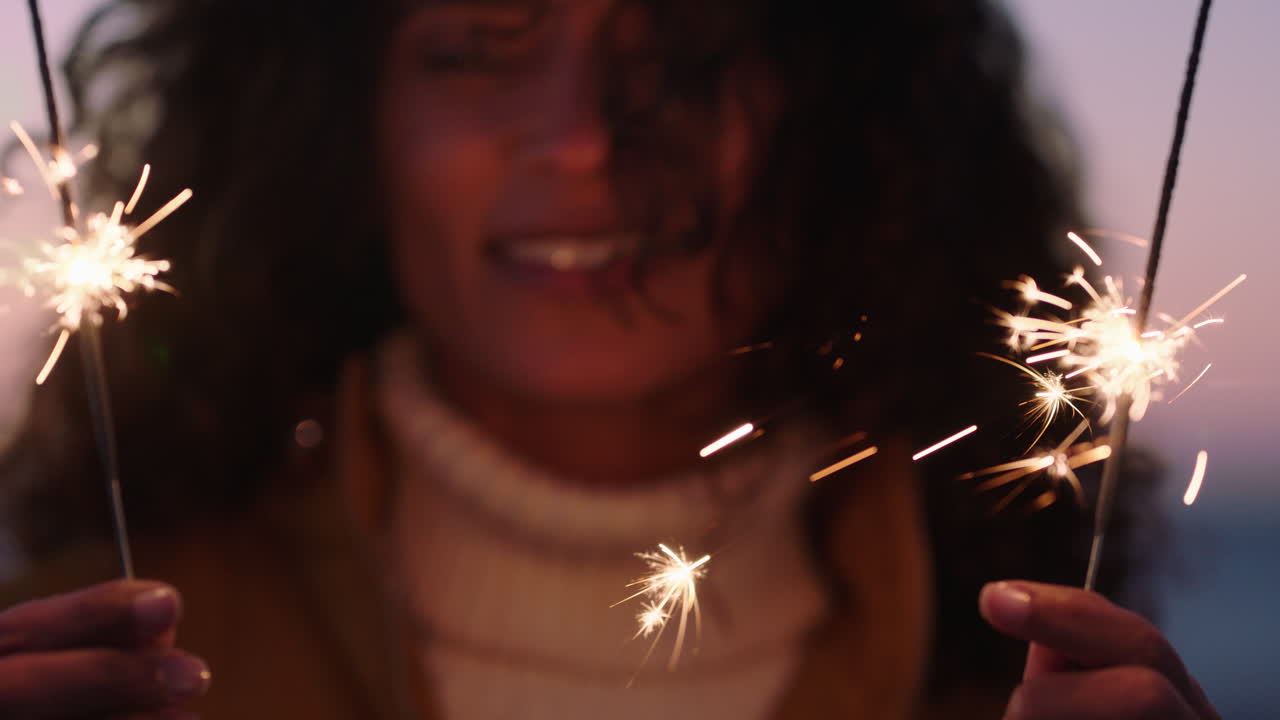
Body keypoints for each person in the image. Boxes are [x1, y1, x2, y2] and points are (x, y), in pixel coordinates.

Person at [0, 0, 1221, 718]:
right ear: (335, 122)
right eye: (479, 46)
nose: (583, 139)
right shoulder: (86, 654)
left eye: (682, 46)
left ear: (841, 115)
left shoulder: (1016, 656)